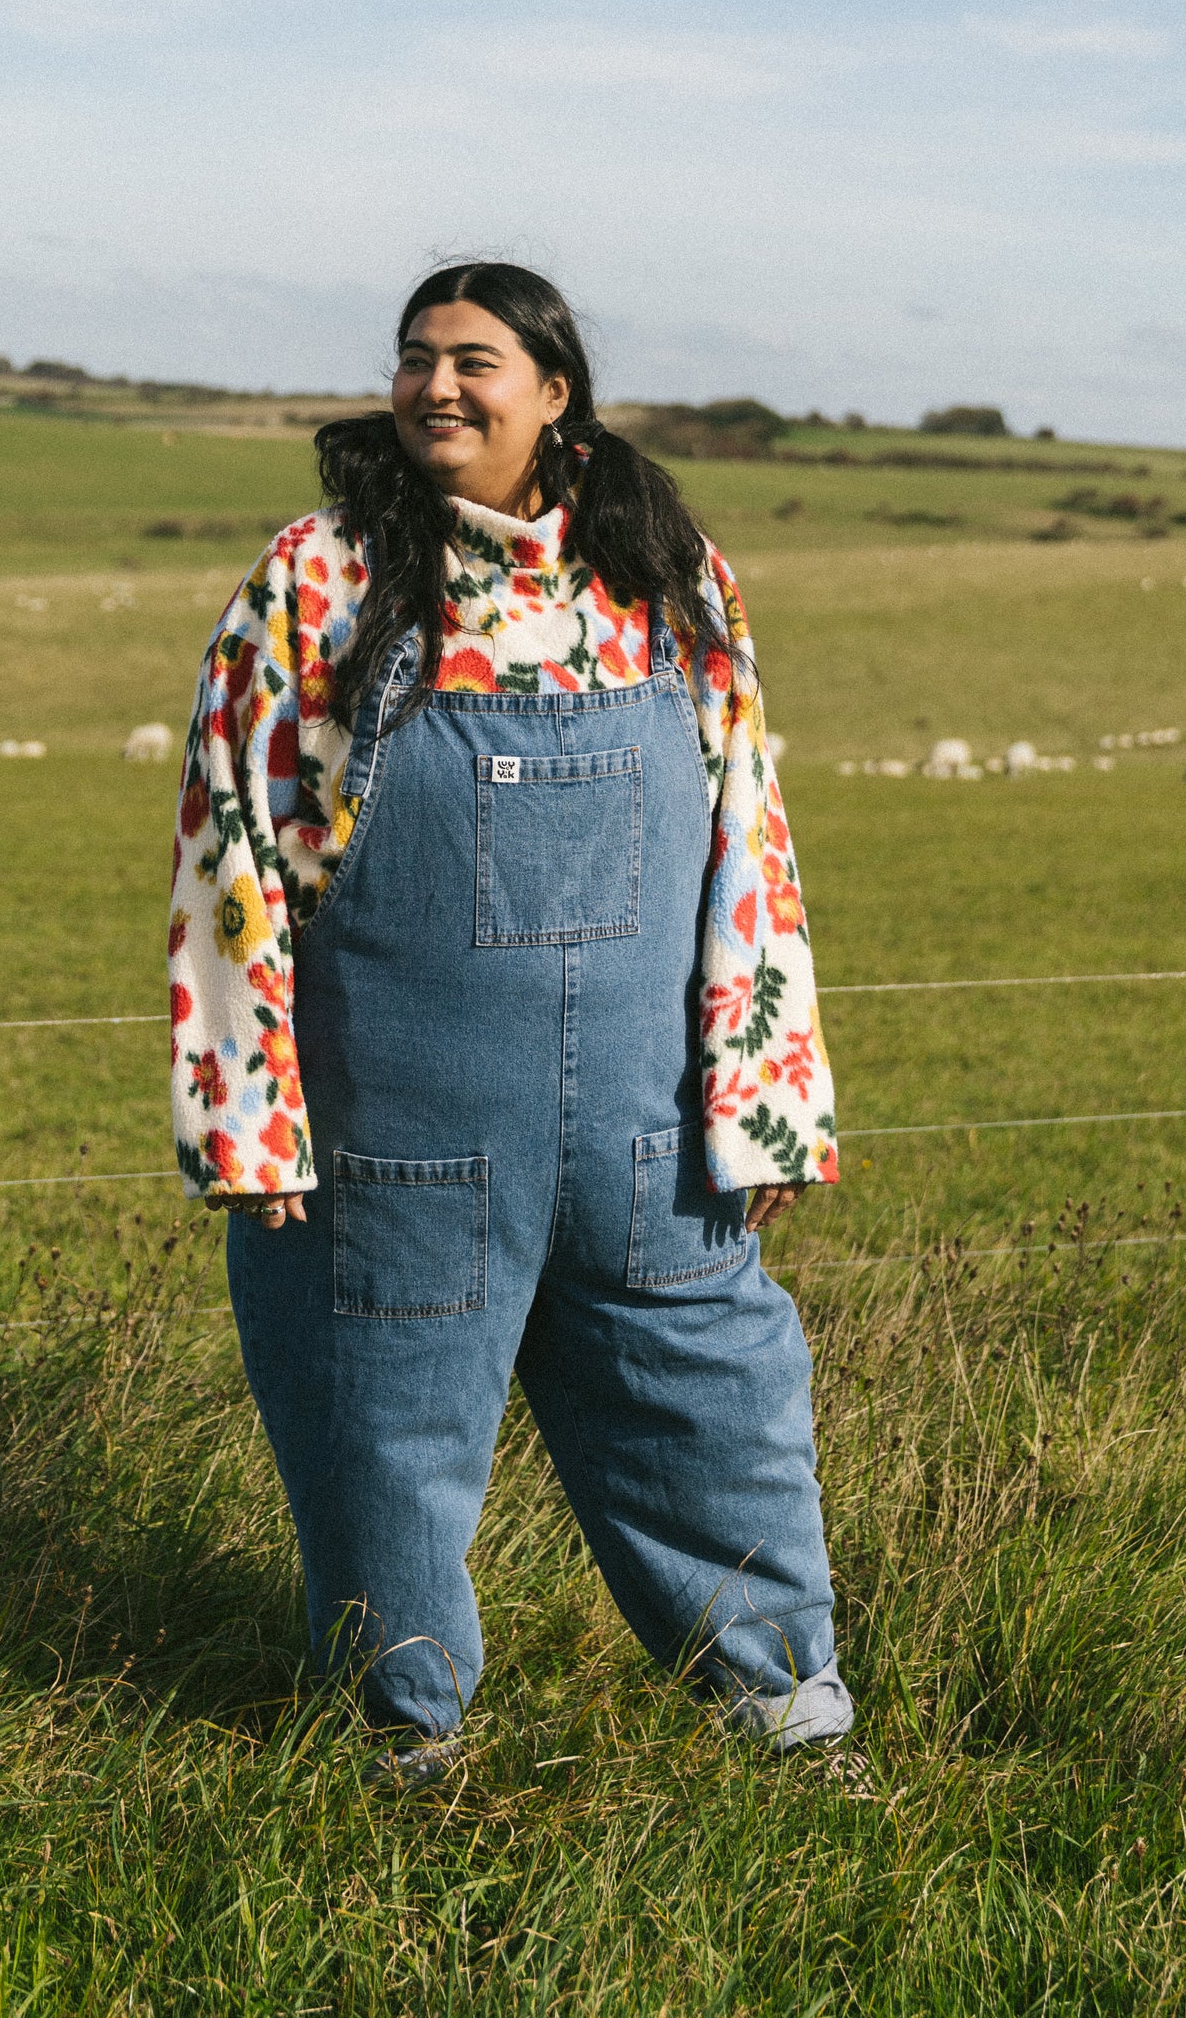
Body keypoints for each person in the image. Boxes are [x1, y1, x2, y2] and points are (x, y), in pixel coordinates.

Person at [168, 262, 852, 1782]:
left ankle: (788, 1716)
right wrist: (247, 1120)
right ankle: (403, 1744)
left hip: (645, 1140)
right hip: (397, 1133)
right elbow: (231, 846)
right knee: (383, 1441)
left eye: (475, 360)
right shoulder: (321, 577)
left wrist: (768, 1099)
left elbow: (748, 831)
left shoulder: (665, 574)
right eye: (415, 357)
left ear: (554, 390)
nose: (436, 386)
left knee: (715, 1414)